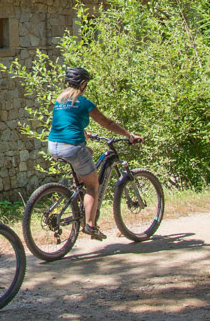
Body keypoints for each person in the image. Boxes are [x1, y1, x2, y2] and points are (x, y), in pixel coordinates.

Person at [47, 67, 140, 239]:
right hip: (72, 147)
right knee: (92, 185)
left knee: (86, 152)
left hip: (54, 146)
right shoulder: (84, 102)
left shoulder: (59, 101)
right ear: (82, 84)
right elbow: (107, 122)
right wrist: (129, 135)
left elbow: (65, 124)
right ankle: (90, 225)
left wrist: (84, 134)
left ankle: (78, 195)